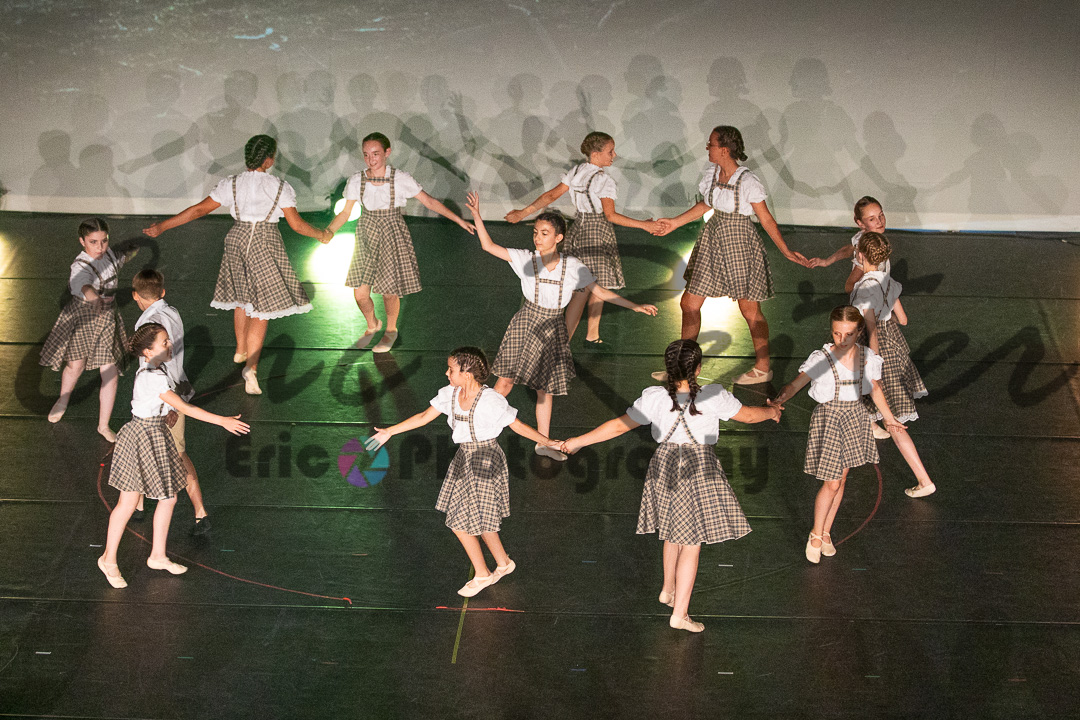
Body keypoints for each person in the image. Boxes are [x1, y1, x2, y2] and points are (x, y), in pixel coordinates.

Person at [560, 339, 781, 632]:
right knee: (692, 543)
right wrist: (772, 411)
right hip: (698, 466)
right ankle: (680, 614)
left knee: (673, 529)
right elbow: (750, 415)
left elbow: (618, 425)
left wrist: (577, 441)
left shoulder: (654, 398)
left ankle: (667, 589)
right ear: (698, 368)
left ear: (667, 369)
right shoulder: (713, 396)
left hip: (664, 464)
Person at [465, 192, 658, 461]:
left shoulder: (573, 267)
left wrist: (634, 305)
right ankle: (478, 431)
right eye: (535, 232)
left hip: (552, 328)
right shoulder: (525, 259)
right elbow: (488, 246)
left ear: (559, 238)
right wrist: (477, 215)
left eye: (544, 233)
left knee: (544, 390)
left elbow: (599, 292)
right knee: (505, 382)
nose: (537, 237)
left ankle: (543, 443)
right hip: (525, 323)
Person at [143, 134, 331, 395]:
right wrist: (322, 235)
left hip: (237, 240)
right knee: (262, 310)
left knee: (242, 298)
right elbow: (297, 225)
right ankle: (251, 368)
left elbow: (199, 210)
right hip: (264, 243)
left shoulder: (232, 183)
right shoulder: (278, 187)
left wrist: (163, 226)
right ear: (269, 160)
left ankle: (241, 349)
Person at [365, 347, 560, 597]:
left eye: (451, 369)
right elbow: (424, 416)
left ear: (467, 374)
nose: (447, 373)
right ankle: (503, 563)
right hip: (465, 457)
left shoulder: (490, 401)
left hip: (486, 460)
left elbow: (518, 426)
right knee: (482, 519)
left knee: (459, 522)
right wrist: (390, 431)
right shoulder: (450, 394)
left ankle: (482, 574)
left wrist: (548, 442)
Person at [97, 323, 249, 589]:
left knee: (168, 497)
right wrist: (222, 420)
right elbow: (184, 407)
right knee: (128, 502)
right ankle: (108, 559)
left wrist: (166, 411)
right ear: (148, 351)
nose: (170, 345)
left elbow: (163, 403)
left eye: (168, 340)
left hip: (155, 434)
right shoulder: (151, 376)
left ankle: (157, 556)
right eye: (164, 342)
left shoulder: (158, 370)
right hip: (141, 438)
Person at [655, 126, 808, 384]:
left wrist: (786, 251)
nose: (707, 147)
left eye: (711, 144)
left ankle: (763, 368)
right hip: (713, 240)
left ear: (724, 150)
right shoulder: (713, 173)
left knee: (750, 310)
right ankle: (683, 367)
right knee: (689, 304)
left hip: (740, 244)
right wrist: (674, 223)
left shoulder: (748, 181)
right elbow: (707, 204)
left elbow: (766, 219)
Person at [768, 306, 906, 565]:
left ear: (859, 331)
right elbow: (796, 384)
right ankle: (815, 535)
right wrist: (778, 401)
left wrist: (889, 418)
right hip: (829, 419)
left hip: (854, 417)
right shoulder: (822, 358)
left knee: (841, 481)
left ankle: (826, 532)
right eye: (837, 333)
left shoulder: (867, 357)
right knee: (831, 483)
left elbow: (875, 388)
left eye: (849, 334)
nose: (842, 339)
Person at [504, 131, 660, 344]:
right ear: (595, 154)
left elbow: (550, 195)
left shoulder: (577, 171)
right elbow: (610, 215)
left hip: (579, 229)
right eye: (610, 151)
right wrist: (645, 225)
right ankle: (563, 342)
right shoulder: (603, 180)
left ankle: (592, 334)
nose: (614, 155)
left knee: (594, 283)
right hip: (596, 233)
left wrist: (522, 213)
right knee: (583, 289)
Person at [325, 132, 476, 352]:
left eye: (375, 154)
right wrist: (329, 231)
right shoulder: (357, 180)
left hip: (391, 233)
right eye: (366, 154)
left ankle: (391, 331)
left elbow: (429, 201)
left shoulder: (400, 179)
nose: (370, 159)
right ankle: (373, 324)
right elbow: (346, 212)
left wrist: (458, 220)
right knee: (360, 294)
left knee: (389, 291)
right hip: (367, 234)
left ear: (387, 152)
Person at [129, 268, 213, 533]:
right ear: (162, 292)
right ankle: (142, 505)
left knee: (169, 455)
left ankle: (197, 511)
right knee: (169, 453)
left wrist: (167, 406)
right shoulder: (172, 312)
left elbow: (156, 368)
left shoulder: (147, 327)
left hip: (161, 400)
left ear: (135, 295)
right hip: (174, 391)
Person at [850, 233, 934, 496]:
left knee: (890, 418)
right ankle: (869, 430)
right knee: (865, 402)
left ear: (860, 255)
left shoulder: (864, 288)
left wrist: (873, 360)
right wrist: (887, 323)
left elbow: (871, 327)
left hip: (873, 348)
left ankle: (924, 480)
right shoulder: (889, 282)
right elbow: (903, 319)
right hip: (894, 346)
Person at [40, 217, 136, 442]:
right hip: (84, 316)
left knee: (110, 372)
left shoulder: (109, 254)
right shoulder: (80, 266)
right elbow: (82, 285)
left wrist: (142, 243)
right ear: (82, 241)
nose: (100, 247)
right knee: (76, 365)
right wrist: (93, 297)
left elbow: (124, 256)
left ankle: (103, 425)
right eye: (93, 242)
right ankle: (63, 400)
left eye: (104, 241)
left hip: (108, 317)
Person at [806, 196, 889, 293]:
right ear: (861, 223)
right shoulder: (867, 250)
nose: (879, 221)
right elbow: (850, 285)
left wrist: (826, 262)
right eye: (872, 219)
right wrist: (871, 298)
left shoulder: (864, 236)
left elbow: (849, 249)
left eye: (881, 215)